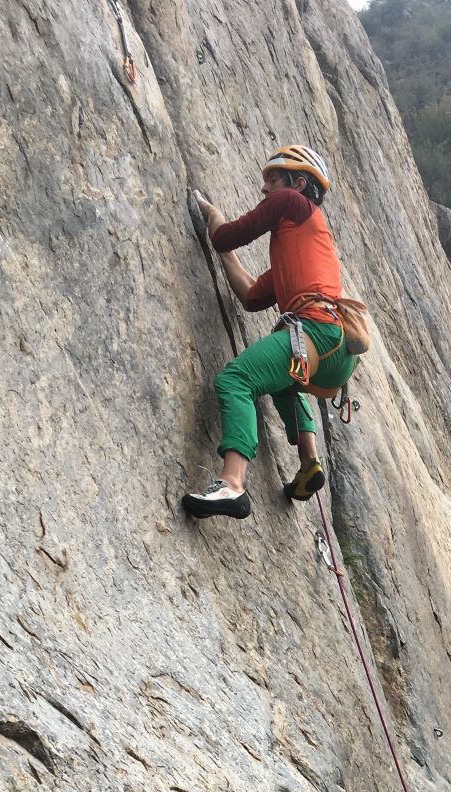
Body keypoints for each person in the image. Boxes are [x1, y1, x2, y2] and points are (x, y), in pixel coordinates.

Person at [183, 144, 358, 520]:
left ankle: (232, 484)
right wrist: (225, 256)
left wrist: (212, 214)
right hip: (334, 349)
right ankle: (310, 463)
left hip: (316, 332)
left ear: (296, 184)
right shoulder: (301, 247)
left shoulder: (291, 204)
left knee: (236, 379)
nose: (264, 189)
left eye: (272, 180)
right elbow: (249, 295)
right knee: (283, 380)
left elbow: (227, 236)